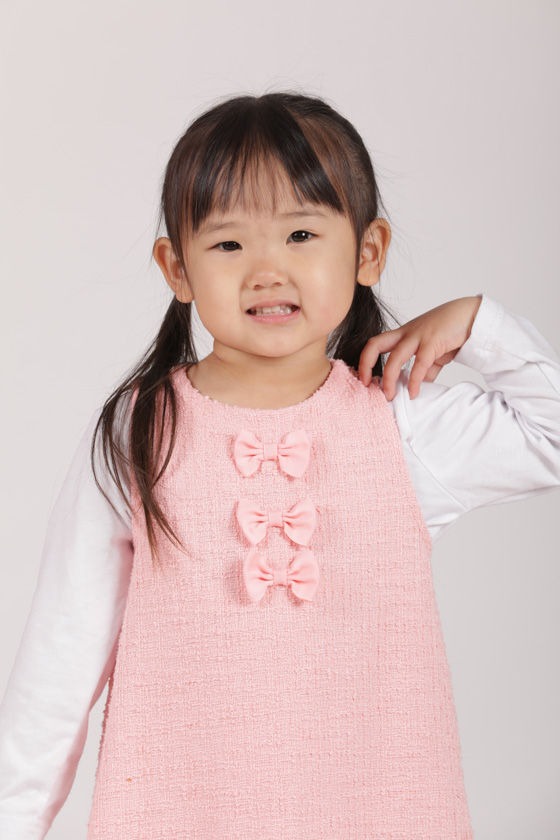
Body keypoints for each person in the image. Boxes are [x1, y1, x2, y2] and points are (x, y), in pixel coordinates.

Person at [0, 91, 559, 840]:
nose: (267, 270)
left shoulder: (400, 424)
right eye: (229, 244)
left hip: (379, 816)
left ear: (368, 252)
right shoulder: (138, 433)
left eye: (301, 234)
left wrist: (480, 324)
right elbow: (60, 659)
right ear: (176, 267)